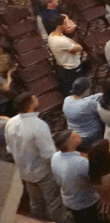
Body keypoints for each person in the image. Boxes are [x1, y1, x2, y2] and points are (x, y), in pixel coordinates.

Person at [6, 91, 69, 222]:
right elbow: (49, 155)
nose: (37, 100)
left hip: (24, 171)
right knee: (54, 204)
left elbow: (10, 149)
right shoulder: (38, 126)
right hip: (43, 172)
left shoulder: (10, 123)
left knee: (36, 204)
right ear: (30, 105)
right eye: (35, 99)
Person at [50, 130, 99, 223]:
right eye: (75, 136)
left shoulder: (55, 156)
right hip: (85, 202)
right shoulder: (81, 162)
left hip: (67, 199)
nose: (79, 135)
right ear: (70, 144)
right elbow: (94, 181)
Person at [63, 77, 104, 151]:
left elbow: (84, 100)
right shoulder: (88, 104)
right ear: (87, 90)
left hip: (74, 134)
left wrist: (99, 95)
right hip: (91, 136)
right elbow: (102, 112)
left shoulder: (67, 99)